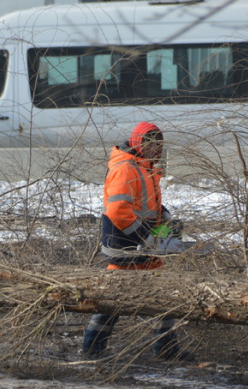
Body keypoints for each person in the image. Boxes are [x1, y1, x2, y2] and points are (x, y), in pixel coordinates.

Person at [82, 121, 194, 361]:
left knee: (162, 296)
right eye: (151, 143)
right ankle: (91, 350)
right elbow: (118, 210)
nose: (157, 148)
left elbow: (144, 202)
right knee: (112, 301)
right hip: (125, 246)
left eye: (159, 143)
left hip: (145, 247)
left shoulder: (146, 168)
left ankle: (166, 350)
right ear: (139, 143)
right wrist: (145, 237)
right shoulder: (126, 168)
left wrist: (164, 216)